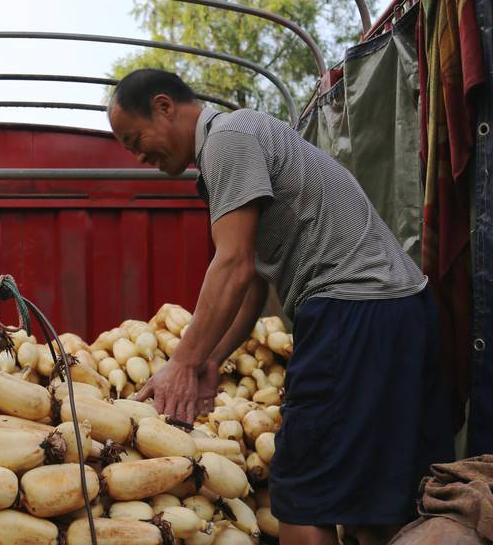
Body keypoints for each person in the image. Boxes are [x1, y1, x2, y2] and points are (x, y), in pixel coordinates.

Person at [106, 70, 452, 545]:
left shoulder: (227, 141)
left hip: (351, 312)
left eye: (135, 139)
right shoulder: (243, 138)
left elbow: (232, 264)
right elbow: (251, 284)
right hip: (401, 310)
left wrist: (182, 364)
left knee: (298, 496)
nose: (139, 156)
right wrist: (209, 359)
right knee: (378, 497)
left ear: (165, 107)